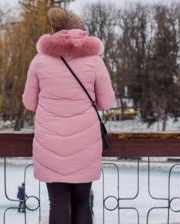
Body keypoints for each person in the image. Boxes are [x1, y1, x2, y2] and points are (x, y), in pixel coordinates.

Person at [22, 6, 116, 224]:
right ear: (81, 31)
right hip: (85, 142)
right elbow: (106, 102)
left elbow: (29, 102)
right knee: (82, 202)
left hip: (50, 141)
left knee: (58, 203)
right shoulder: (95, 61)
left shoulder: (39, 61)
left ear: (55, 31)